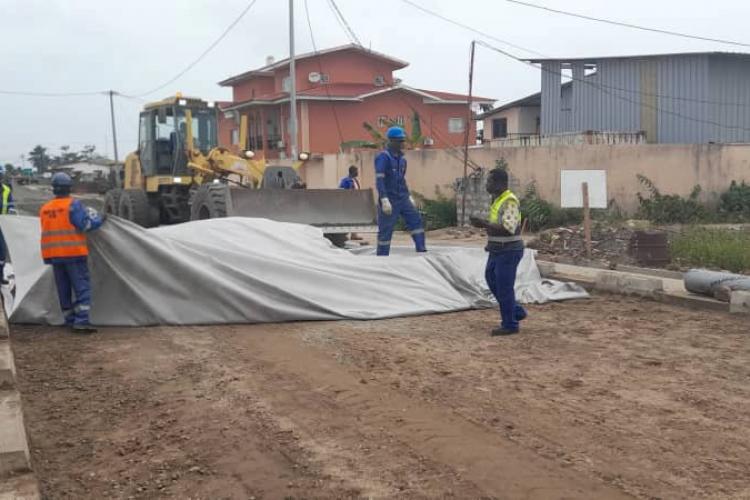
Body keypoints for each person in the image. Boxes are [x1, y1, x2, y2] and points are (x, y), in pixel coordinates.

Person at [39, 172, 105, 334]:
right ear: (69, 187)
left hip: (54, 256)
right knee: (82, 287)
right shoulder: (73, 205)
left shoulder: (45, 208)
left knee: (63, 288)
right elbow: (86, 225)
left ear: (54, 189)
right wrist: (100, 220)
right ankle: (81, 320)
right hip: (73, 253)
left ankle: (69, 319)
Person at [470, 168, 527, 336]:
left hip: (508, 250)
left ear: (500, 183)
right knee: (492, 280)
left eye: (490, 181)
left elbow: (509, 228)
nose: (487, 184)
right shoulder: (497, 199)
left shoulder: (509, 201)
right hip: (497, 250)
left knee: (504, 287)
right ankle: (515, 311)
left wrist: (483, 224)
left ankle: (510, 324)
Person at [374, 126, 426, 256]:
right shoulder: (383, 157)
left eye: (403, 140)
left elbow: (402, 180)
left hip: (403, 198)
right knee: (386, 229)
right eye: (399, 141)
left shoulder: (402, 160)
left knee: (416, 220)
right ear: (391, 141)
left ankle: (421, 251)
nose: (402, 143)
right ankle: (382, 258)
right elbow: (380, 180)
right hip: (390, 199)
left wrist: (408, 196)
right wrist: (384, 199)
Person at [0, 167, 16, 285]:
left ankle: (0, 277)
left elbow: (11, 205)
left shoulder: (6, 190)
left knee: (1, 253)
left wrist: (11, 211)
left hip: (2, 226)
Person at [339, 165, 362, 240]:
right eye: (356, 171)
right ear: (352, 171)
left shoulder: (355, 180)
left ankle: (354, 234)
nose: (357, 172)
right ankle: (344, 235)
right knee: (347, 219)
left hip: (356, 203)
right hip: (348, 203)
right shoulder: (345, 180)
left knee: (355, 218)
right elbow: (341, 190)